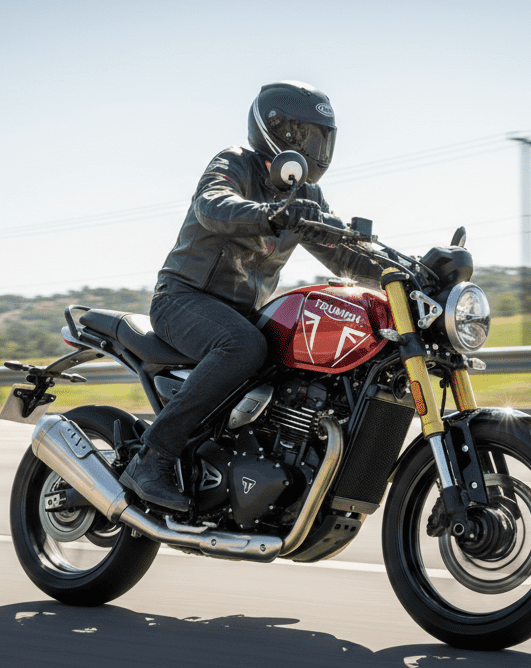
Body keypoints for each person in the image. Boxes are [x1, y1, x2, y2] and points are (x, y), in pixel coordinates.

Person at [120, 80, 382, 512]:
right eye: (307, 135)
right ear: (279, 131)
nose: (317, 149)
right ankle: (152, 456)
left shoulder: (306, 194)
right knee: (244, 346)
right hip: (183, 298)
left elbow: (342, 255)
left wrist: (411, 272)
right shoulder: (236, 163)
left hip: (241, 311)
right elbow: (212, 203)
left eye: (323, 139)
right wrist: (269, 214)